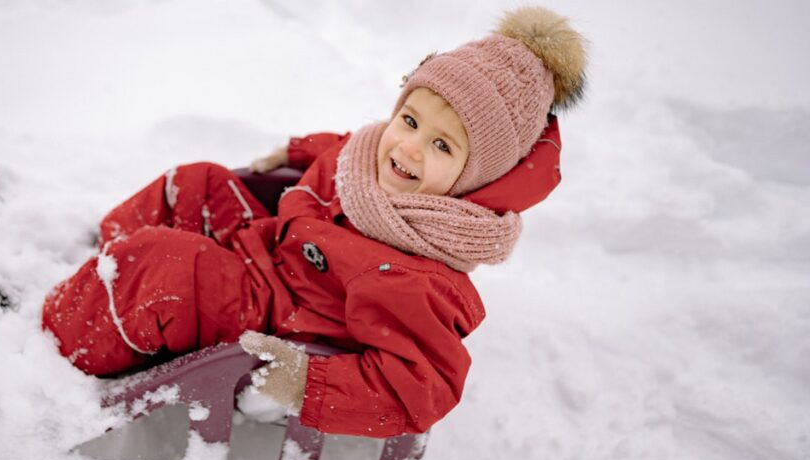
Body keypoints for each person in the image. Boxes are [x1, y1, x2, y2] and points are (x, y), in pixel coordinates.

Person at [41, 6, 587, 438]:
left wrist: (309, 383)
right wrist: (296, 152)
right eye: (410, 119)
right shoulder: (373, 157)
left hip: (277, 314)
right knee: (196, 183)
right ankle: (96, 285)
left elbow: (424, 386)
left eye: (442, 145)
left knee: (163, 266)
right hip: (268, 248)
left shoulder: (421, 276)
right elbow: (343, 149)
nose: (409, 148)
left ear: (474, 178)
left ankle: (54, 350)